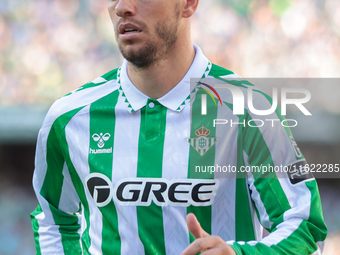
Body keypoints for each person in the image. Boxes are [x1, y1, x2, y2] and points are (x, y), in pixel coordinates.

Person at [31, 0, 327, 254]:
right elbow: (53, 220)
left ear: (188, 3)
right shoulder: (69, 118)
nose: (123, 7)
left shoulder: (249, 110)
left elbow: (305, 227)